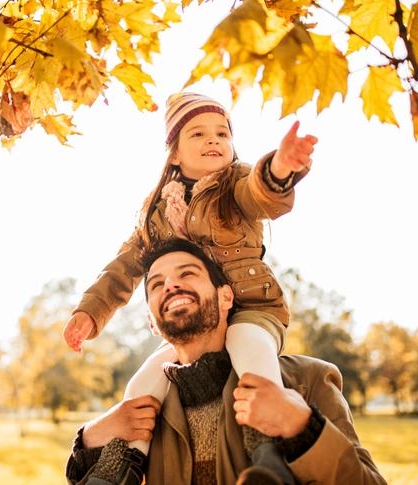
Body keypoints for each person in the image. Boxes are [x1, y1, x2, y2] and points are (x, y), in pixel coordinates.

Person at [63, 92, 317, 471]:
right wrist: (91, 311)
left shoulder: (234, 185)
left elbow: (259, 196)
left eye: (221, 133)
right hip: (195, 328)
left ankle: (266, 449)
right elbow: (124, 266)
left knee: (247, 346)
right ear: (175, 154)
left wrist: (279, 169)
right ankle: (123, 466)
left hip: (251, 309)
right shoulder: (157, 213)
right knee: (144, 381)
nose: (213, 140)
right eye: (197, 134)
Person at [65, 238, 387, 485]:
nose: (170, 285)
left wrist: (304, 428)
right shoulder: (141, 413)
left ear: (225, 297)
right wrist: (91, 438)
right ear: (152, 321)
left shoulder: (307, 381)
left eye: (187, 273)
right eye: (156, 284)